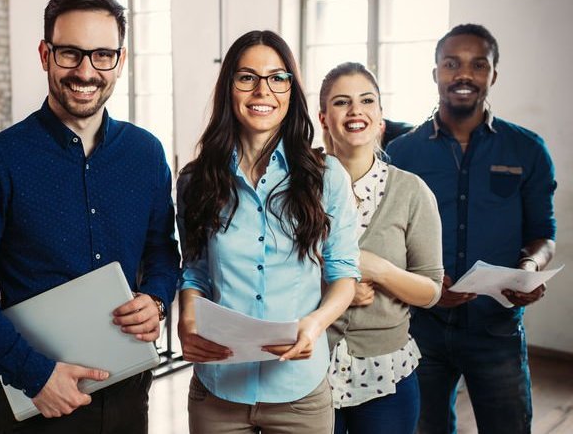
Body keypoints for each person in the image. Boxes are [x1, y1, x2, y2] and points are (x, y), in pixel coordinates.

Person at [0, 0, 180, 433]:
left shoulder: (146, 153)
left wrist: (158, 300)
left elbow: (162, 249)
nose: (86, 71)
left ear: (120, 61)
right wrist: (35, 374)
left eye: (102, 55)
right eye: (70, 53)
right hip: (38, 399)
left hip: (128, 391)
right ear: (46, 54)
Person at [176, 30, 359, 434]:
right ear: (229, 87)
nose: (263, 90)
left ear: (292, 90)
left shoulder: (326, 178)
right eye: (247, 78)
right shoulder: (195, 180)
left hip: (299, 392)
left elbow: (344, 276)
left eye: (278, 78)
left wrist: (314, 325)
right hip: (217, 388)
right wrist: (186, 316)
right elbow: (196, 270)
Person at [387, 24, 557, 434]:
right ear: (435, 73)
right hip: (420, 330)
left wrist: (530, 267)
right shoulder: (401, 152)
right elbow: (385, 239)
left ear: (493, 75)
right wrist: (421, 283)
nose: (464, 75)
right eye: (452, 64)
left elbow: (543, 232)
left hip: (496, 330)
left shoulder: (527, 149)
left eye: (478, 65)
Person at [318, 62, 444, 434]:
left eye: (366, 100)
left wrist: (380, 270)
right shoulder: (296, 185)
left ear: (380, 117)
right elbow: (271, 273)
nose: (355, 111)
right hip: (307, 367)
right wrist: (334, 291)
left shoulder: (411, 191)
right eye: (342, 102)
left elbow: (431, 291)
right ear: (324, 118)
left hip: (386, 375)